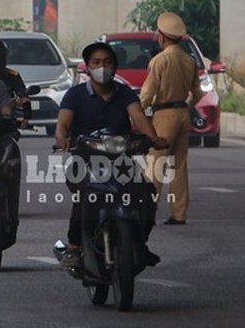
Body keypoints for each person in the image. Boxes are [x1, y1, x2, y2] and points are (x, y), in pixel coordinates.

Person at [55, 41, 169, 268]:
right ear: (87, 67)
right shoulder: (75, 95)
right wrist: (62, 138)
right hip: (86, 161)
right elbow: (63, 123)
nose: (102, 67)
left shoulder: (124, 93)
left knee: (146, 192)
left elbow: (139, 118)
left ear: (115, 66)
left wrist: (154, 138)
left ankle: (140, 243)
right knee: (84, 194)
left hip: (121, 162)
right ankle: (74, 246)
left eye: (107, 62)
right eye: (96, 62)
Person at [139, 11, 203, 226]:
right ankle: (179, 213)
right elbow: (198, 93)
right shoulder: (189, 60)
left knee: (156, 163)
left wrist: (136, 115)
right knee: (179, 165)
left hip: (164, 115)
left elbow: (147, 94)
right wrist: (186, 107)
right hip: (182, 114)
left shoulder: (160, 60)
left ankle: (148, 213)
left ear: (162, 37)